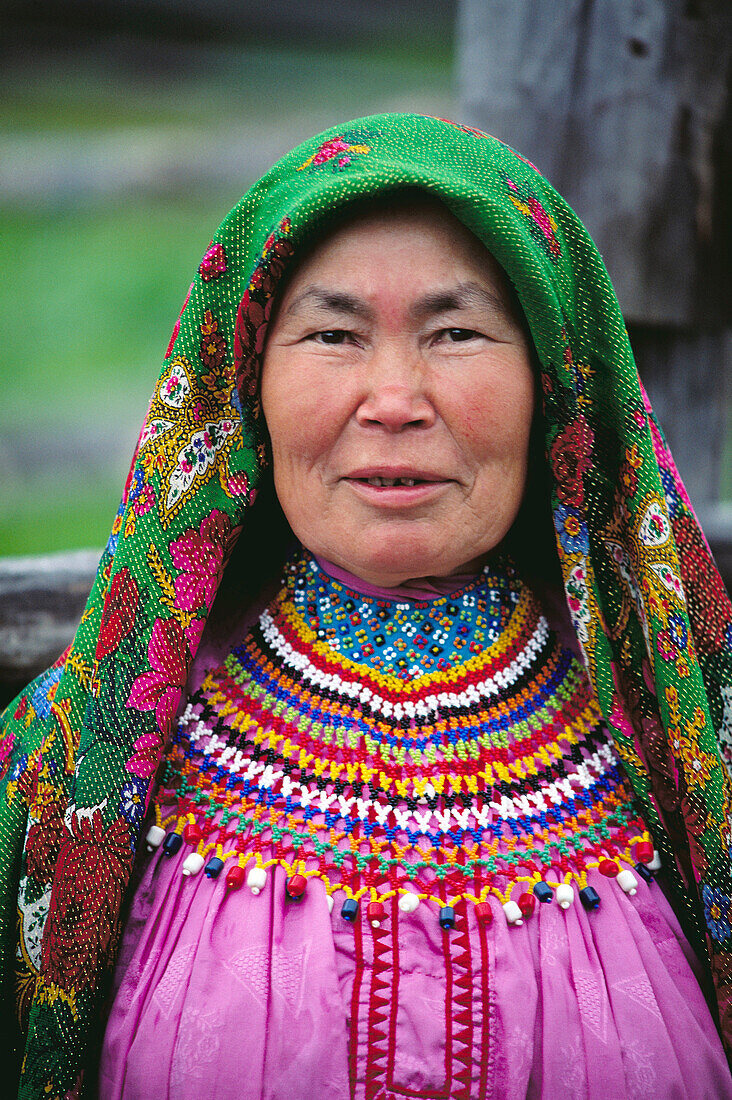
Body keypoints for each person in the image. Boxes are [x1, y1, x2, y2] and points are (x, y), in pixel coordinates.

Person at [1, 113, 731, 1100]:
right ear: (246, 381)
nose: (394, 396)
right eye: (335, 333)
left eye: (457, 331)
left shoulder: (698, 757)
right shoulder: (66, 764)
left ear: (553, 383)